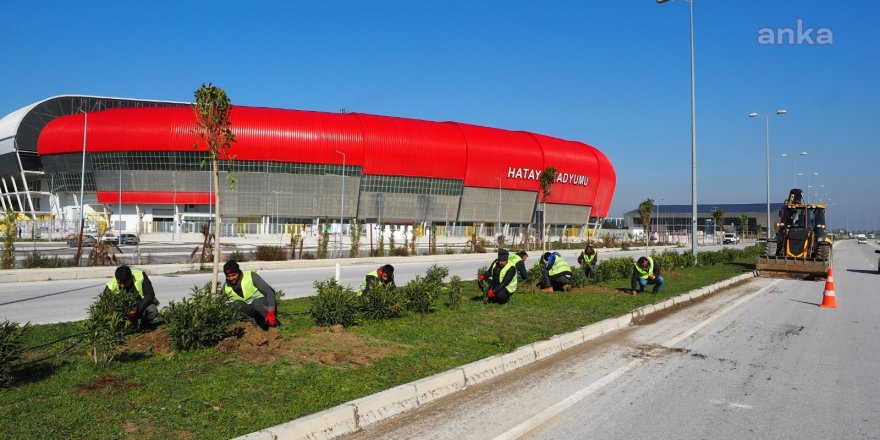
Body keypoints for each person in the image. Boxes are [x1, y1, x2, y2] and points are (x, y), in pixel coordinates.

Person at [223, 260, 279, 329]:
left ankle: (274, 325)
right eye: (228, 276)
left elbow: (269, 292)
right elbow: (221, 304)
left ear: (238, 272)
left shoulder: (250, 276)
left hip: (264, 305)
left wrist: (271, 311)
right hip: (250, 308)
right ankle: (253, 326)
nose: (231, 278)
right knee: (231, 306)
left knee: (256, 303)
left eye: (233, 275)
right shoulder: (225, 287)